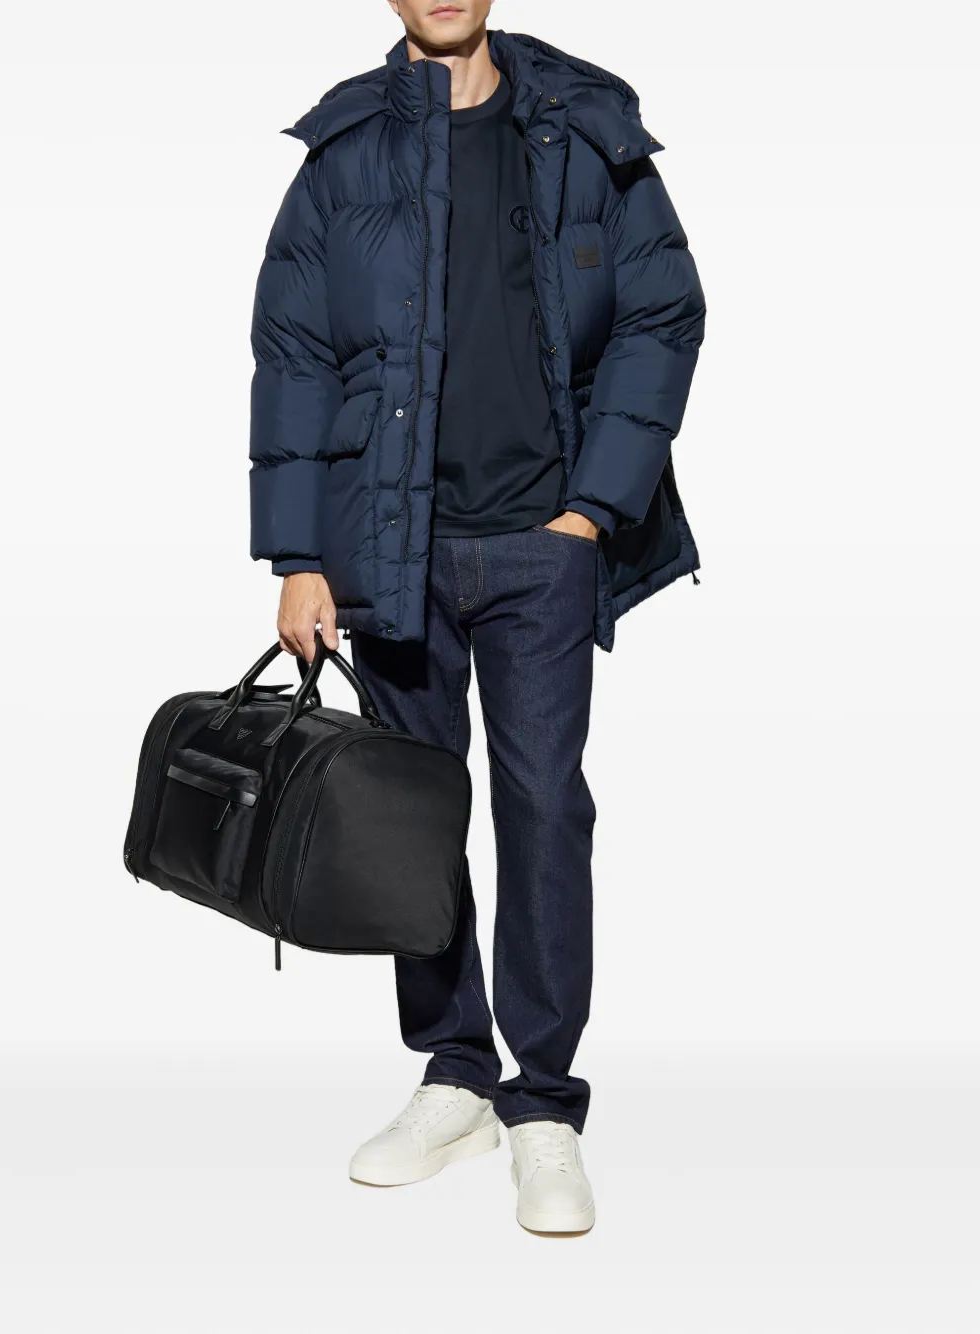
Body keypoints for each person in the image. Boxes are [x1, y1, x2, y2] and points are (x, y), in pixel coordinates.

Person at [248, 0, 705, 1235]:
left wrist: (593, 509)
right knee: (411, 815)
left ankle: (543, 1101)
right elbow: (293, 353)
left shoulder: (586, 128)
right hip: (389, 548)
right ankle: (453, 1073)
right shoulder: (344, 151)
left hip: (542, 548)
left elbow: (663, 310)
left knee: (544, 809)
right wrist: (299, 556)